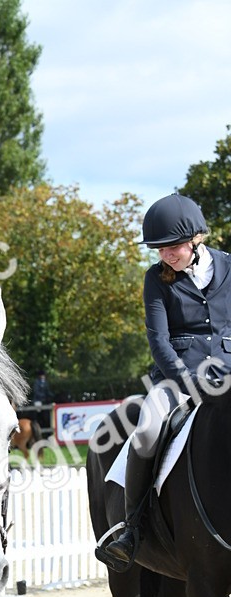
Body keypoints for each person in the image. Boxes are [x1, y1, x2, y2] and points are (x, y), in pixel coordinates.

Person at [97, 193, 231, 571]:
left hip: (228, 375)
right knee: (146, 429)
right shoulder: (156, 279)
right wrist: (187, 382)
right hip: (176, 380)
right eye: (159, 249)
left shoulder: (229, 267)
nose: (166, 255)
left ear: (195, 239)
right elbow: (159, 340)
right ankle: (131, 527)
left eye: (172, 247)